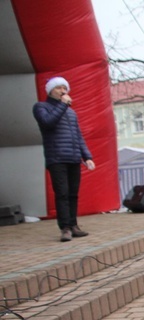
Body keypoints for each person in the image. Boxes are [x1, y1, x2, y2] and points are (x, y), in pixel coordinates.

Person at [32, 76, 95, 242]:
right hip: (57, 157)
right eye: (59, 88)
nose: (63, 91)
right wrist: (62, 104)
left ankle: (74, 225)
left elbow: (78, 135)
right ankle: (65, 228)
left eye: (64, 88)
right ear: (50, 90)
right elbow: (48, 123)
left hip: (73, 158)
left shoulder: (71, 112)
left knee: (73, 194)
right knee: (62, 193)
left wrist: (87, 156)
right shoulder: (41, 107)